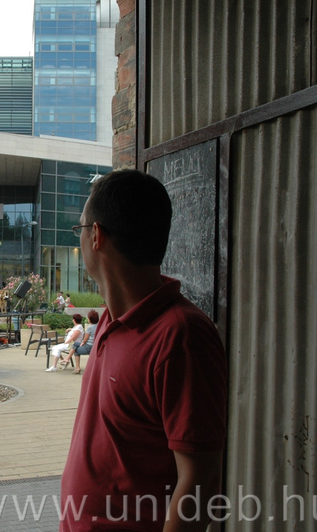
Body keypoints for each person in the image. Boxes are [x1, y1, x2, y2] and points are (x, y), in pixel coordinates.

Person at [60, 170, 227, 531]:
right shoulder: (111, 318)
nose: (81, 237)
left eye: (80, 229)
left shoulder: (181, 337)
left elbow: (200, 483)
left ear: (97, 235)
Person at [62, 309, 99, 374]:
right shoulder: (99, 326)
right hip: (96, 346)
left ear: (89, 319)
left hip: (89, 347)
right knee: (76, 344)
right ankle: (68, 359)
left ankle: (75, 366)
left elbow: (85, 339)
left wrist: (83, 342)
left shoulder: (90, 328)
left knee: (76, 349)